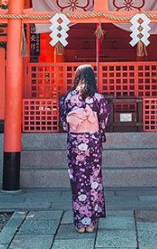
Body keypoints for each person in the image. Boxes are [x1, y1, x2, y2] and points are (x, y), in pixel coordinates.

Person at [58, 64, 111, 233]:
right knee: (93, 179)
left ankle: (80, 223)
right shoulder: (98, 98)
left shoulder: (67, 98)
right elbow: (103, 123)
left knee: (78, 180)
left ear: (76, 77)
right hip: (93, 141)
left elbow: (65, 124)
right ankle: (91, 222)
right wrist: (96, 132)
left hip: (75, 141)